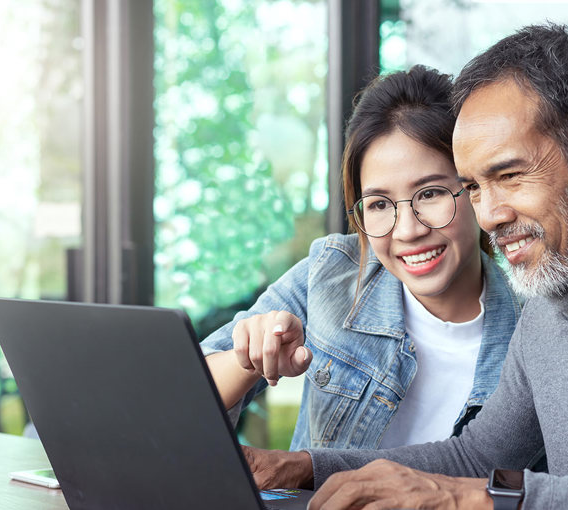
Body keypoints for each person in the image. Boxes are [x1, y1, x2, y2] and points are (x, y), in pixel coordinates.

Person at [241, 24, 568, 509]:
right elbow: (474, 457)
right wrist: (299, 466)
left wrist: (471, 499)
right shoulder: (547, 315)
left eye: (509, 175)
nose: (489, 216)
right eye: (473, 188)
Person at [200, 65, 522, 452]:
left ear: (474, 189)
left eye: (431, 194)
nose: (407, 230)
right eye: (380, 204)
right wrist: (248, 359)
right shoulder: (332, 273)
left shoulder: (531, 329)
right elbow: (183, 398)